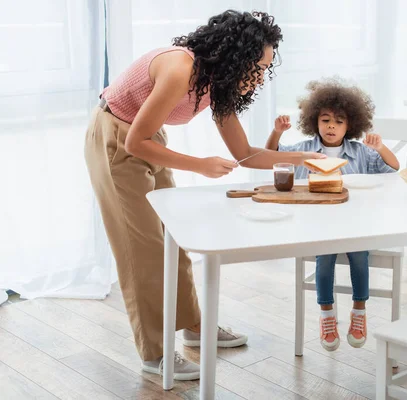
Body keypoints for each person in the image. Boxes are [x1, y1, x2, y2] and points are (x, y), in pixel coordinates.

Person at [84, 10, 324, 380]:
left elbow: (246, 153)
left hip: (148, 140)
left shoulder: (218, 84)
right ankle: (155, 354)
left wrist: (303, 156)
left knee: (173, 239)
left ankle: (194, 328)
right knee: (142, 250)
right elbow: (133, 142)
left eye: (265, 69)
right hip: (115, 140)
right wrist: (200, 165)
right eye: (257, 67)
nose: (261, 78)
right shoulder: (181, 69)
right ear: (234, 56)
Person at [265, 77, 399, 351]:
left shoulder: (361, 152)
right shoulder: (303, 150)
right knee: (323, 262)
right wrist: (277, 132)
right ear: (314, 121)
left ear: (350, 125)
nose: (331, 126)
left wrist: (381, 148)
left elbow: (394, 169)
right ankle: (327, 315)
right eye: (325, 120)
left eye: (339, 121)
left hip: (356, 224)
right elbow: (269, 155)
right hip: (318, 225)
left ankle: (359, 312)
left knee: (360, 257)